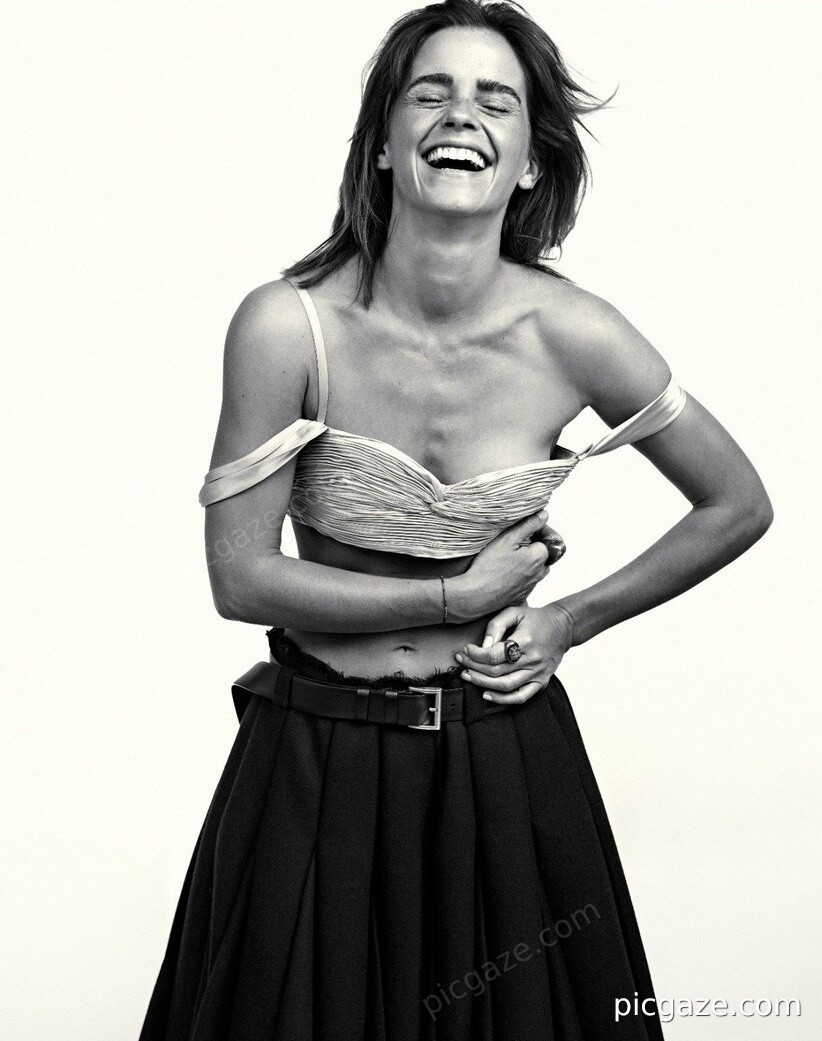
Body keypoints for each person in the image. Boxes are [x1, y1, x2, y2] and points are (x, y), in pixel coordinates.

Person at [139, 1, 773, 1039]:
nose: (460, 115)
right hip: (315, 764)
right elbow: (238, 577)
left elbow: (738, 503)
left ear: (529, 162)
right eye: (429, 94)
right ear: (385, 144)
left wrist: (569, 619)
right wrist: (452, 594)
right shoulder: (286, 325)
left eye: (495, 100)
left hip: (504, 765)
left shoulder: (577, 333)